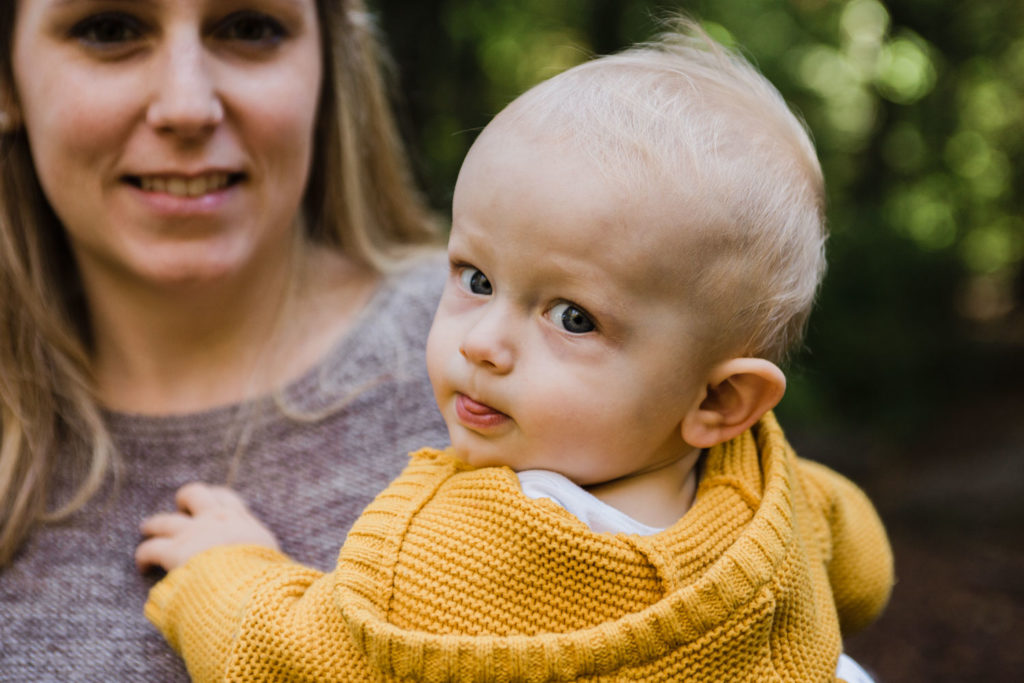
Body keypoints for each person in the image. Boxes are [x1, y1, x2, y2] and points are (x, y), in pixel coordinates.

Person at [135, 19, 894, 682]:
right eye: (475, 276)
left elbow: (287, 657)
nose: (484, 342)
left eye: (571, 317)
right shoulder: (768, 479)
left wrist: (222, 567)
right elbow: (863, 570)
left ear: (718, 400)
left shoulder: (459, 554)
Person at [0, 0, 450, 680]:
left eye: (248, 27)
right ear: (6, 82)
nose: (188, 105)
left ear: (330, 65)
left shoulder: (510, 362)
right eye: (110, 30)